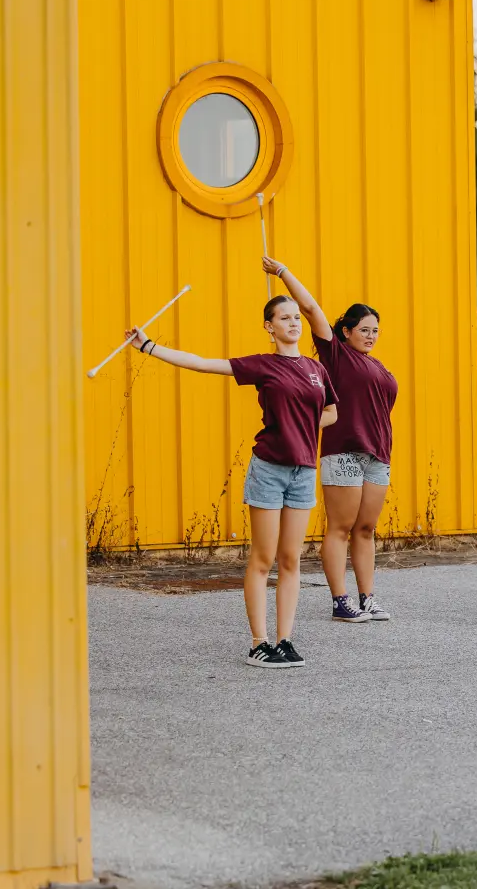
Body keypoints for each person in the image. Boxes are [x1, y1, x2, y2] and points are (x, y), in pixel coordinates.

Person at [125, 291, 338, 668]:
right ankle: (259, 643)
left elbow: (332, 413)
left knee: (291, 559)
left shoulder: (315, 369)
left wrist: (304, 429)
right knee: (263, 557)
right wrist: (149, 346)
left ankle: (285, 640)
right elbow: (204, 364)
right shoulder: (263, 365)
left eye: (296, 317)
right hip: (269, 469)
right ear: (269, 327)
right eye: (284, 318)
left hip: (304, 471)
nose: (293, 322)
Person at [266, 257, 397, 625]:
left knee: (366, 529)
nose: (371, 335)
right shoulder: (335, 355)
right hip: (344, 453)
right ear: (346, 332)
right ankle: (341, 600)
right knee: (339, 527)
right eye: (364, 329)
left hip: (377, 455)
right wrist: (282, 272)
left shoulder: (379, 366)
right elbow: (309, 309)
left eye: (375, 330)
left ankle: (367, 598)